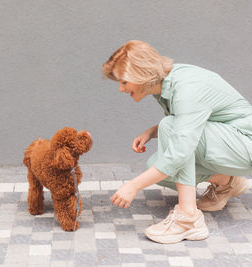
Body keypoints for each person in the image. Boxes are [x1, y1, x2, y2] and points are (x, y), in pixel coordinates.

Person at [102, 40, 252, 244]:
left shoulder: (187, 88)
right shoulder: (167, 84)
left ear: (141, 74)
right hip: (230, 143)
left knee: (170, 133)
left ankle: (188, 219)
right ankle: (228, 183)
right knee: (154, 167)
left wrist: (133, 186)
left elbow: (180, 147)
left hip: (245, 144)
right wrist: (151, 132)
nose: (121, 89)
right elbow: (189, 122)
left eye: (124, 82)